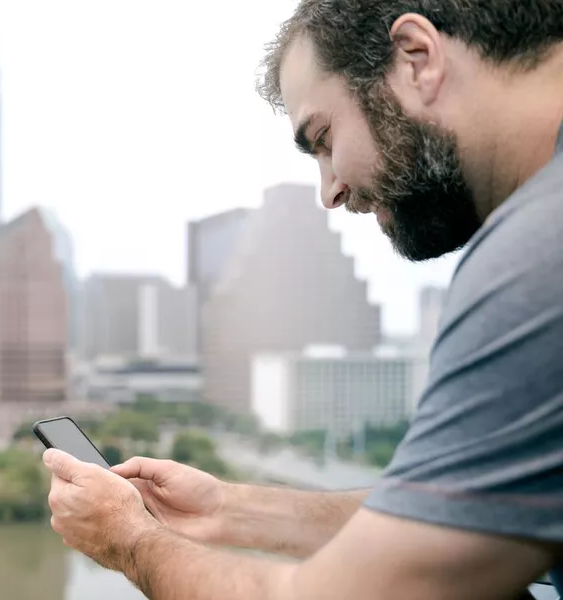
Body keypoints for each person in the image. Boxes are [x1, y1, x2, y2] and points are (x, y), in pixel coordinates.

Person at [43, 1, 563, 598]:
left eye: (323, 137)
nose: (330, 191)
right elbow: (458, 512)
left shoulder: (538, 255)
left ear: (417, 58)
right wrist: (230, 509)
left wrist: (129, 539)